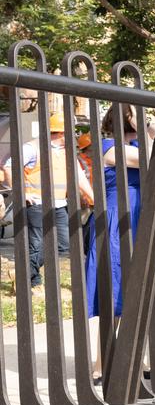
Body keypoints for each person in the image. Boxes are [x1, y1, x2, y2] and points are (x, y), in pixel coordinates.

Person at [84, 103, 155, 317]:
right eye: (135, 117)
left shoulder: (137, 144)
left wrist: (147, 124)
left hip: (140, 216)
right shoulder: (109, 147)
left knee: (145, 292)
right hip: (118, 219)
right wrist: (142, 126)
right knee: (116, 296)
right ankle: (106, 351)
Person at [2, 111, 94, 287]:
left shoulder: (66, 152)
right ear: (60, 133)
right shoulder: (32, 148)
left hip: (59, 204)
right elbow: (9, 167)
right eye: (70, 131)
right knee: (37, 243)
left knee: (63, 243)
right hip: (36, 203)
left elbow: (79, 177)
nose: (74, 135)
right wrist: (22, 193)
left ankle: (24, 273)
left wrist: (93, 198)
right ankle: (30, 280)